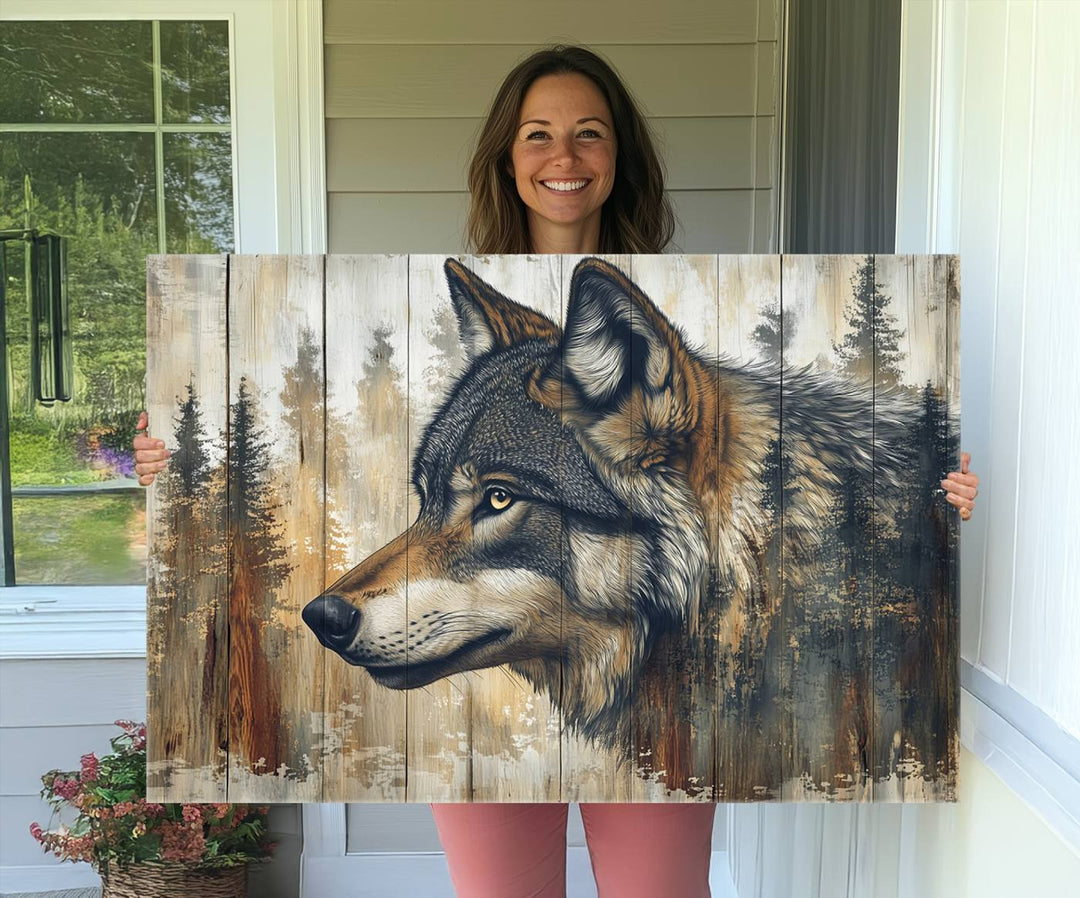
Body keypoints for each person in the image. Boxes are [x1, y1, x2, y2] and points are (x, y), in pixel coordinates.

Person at [133, 45, 980, 898]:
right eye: (537, 135)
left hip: (662, 694)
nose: (563, 157)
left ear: (619, 160)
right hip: (490, 720)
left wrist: (931, 501)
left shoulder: (677, 323)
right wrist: (170, 471)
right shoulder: (483, 331)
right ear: (508, 158)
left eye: (588, 134)